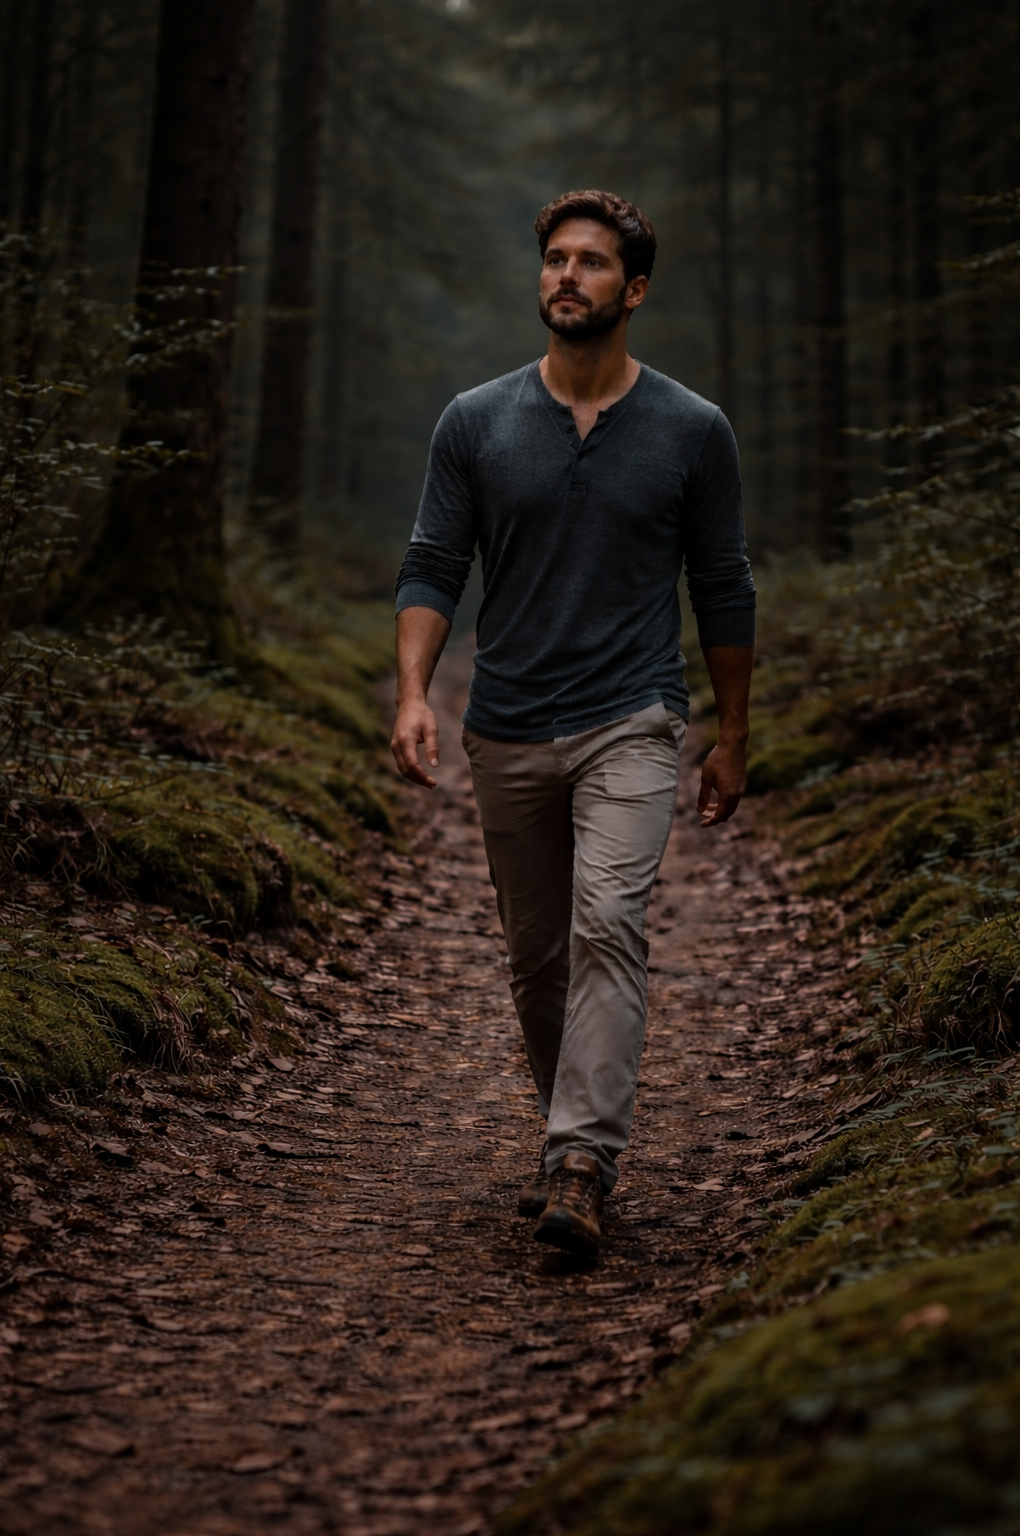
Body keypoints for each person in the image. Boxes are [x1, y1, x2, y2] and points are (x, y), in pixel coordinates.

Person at [390, 190, 755, 1257]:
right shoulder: (476, 420)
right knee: (537, 957)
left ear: (632, 290)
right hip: (504, 722)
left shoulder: (692, 430)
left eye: (592, 263)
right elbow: (432, 564)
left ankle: (580, 1159)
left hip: (632, 719)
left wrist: (732, 734)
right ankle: (568, 1134)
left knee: (609, 925)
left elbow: (723, 586)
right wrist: (414, 692)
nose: (567, 276)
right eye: (555, 259)